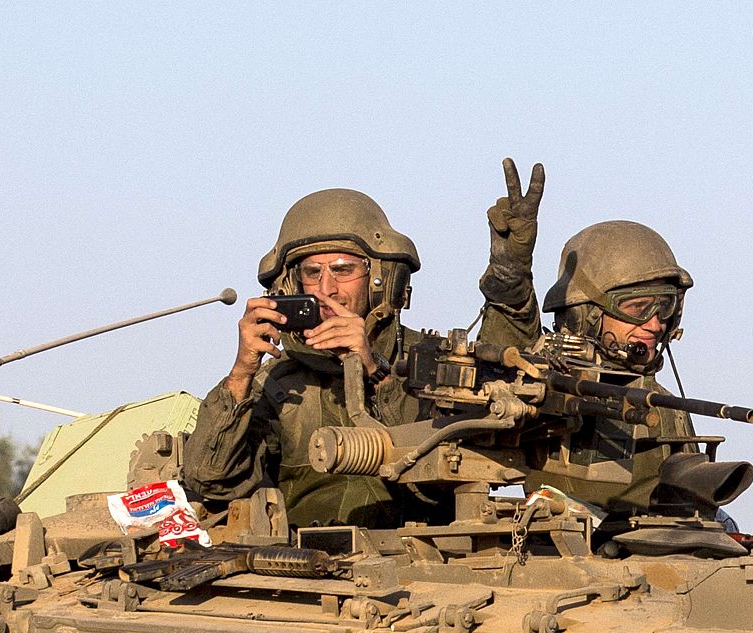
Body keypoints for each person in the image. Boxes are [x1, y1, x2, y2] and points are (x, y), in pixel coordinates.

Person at [185, 165, 544, 528]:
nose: (326, 289)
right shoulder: (279, 383)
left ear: (380, 280)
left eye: (342, 270)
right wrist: (242, 371)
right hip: (307, 567)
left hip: (424, 560)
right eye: (312, 273)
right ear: (292, 284)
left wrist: (375, 372)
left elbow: (492, 407)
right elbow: (212, 482)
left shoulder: (429, 363)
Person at [481, 220, 702, 513]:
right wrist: (511, 282)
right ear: (584, 315)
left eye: (665, 307)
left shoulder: (664, 404)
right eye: (638, 308)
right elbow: (505, 363)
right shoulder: (548, 383)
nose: (655, 324)